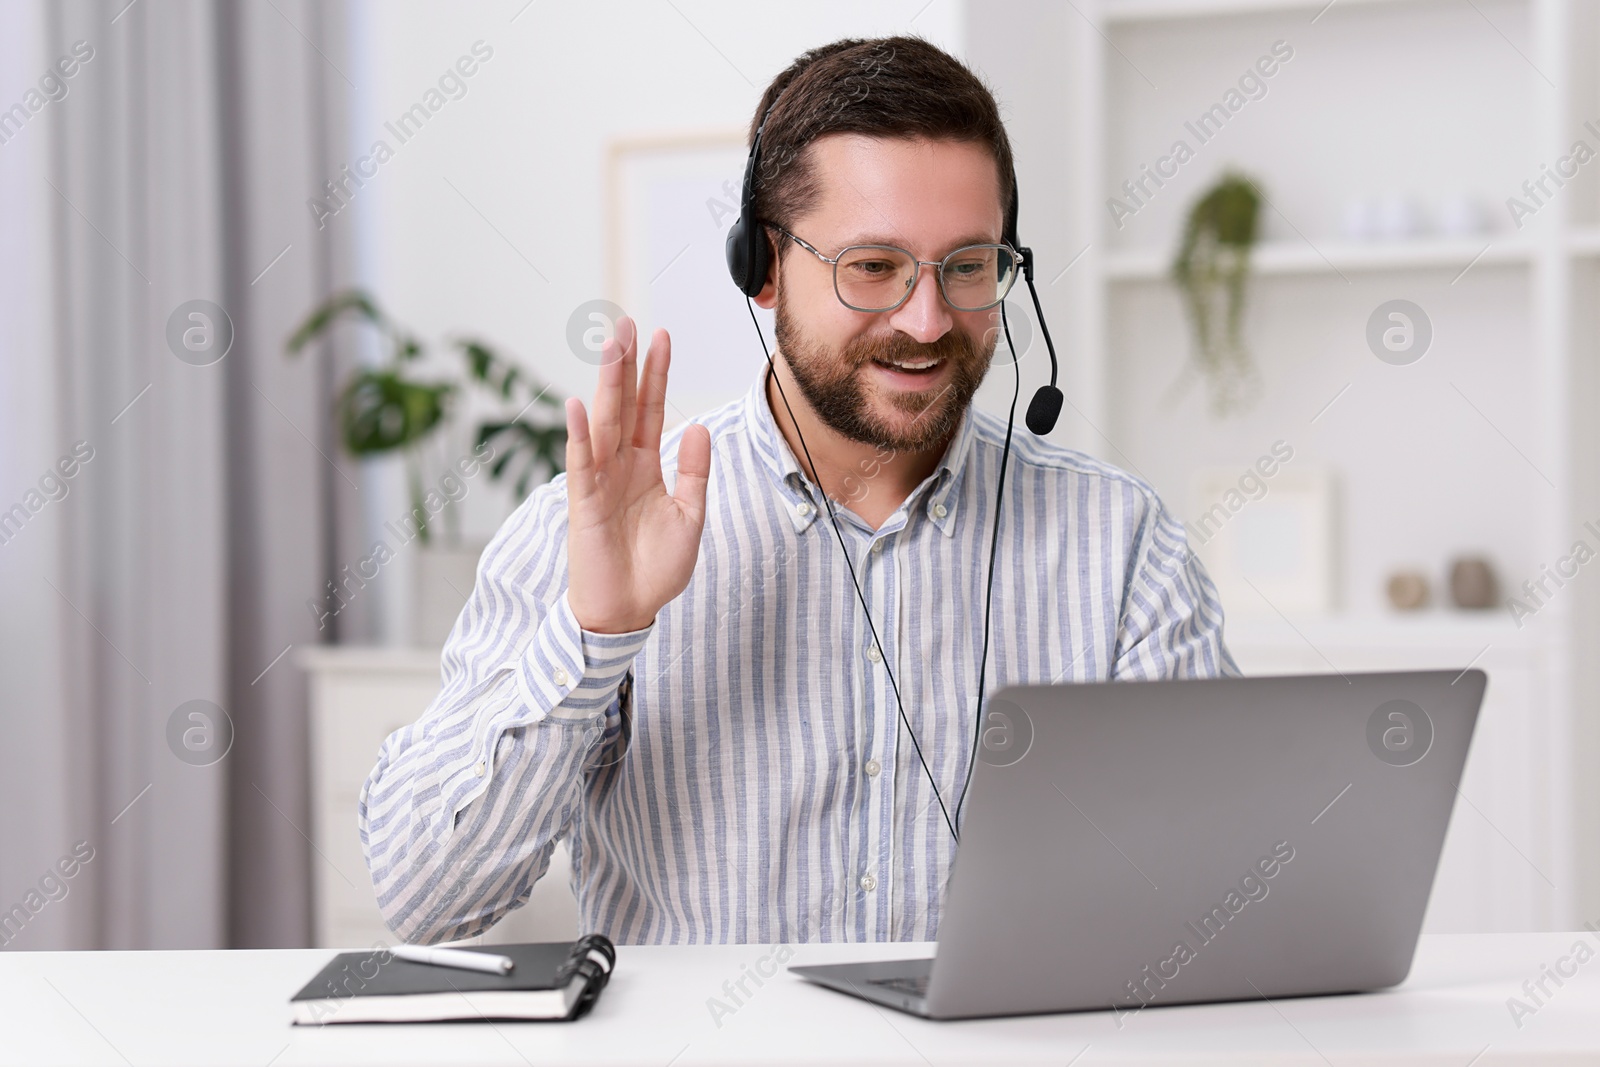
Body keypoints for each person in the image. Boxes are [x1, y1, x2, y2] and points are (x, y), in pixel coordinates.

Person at [359, 35, 1237, 947]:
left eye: (968, 266)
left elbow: (1223, 888)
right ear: (765, 270)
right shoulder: (596, 531)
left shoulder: (1120, 541)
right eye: (873, 268)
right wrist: (593, 636)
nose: (927, 320)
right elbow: (426, 901)